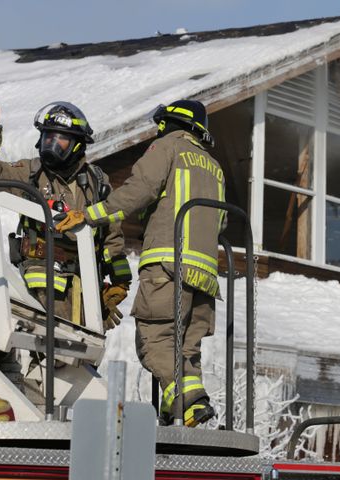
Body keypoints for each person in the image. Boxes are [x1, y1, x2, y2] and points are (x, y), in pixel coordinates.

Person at [56, 99, 225, 427]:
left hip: (168, 265)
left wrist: (90, 215)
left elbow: (138, 191)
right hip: (205, 274)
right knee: (185, 347)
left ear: (168, 125)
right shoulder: (213, 166)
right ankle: (177, 406)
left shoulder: (166, 148)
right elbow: (220, 223)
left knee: (154, 340)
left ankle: (188, 401)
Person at [0, 99, 132, 329]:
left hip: (87, 284)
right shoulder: (31, 172)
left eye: (59, 139)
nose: (51, 144)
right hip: (43, 276)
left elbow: (112, 235)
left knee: (82, 353)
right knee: (56, 344)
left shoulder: (98, 182)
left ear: (77, 144)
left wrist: (120, 283)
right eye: (47, 137)